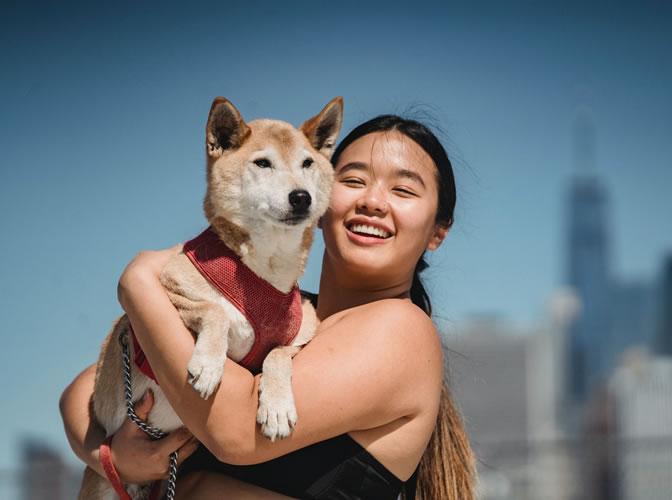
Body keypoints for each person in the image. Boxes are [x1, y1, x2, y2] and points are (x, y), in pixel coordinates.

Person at [60, 114, 477, 499]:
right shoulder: (283, 314)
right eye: (353, 180)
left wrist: (138, 284)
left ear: (438, 231)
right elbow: (84, 391)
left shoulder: (400, 329)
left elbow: (236, 431)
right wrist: (109, 458)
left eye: (403, 190)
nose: (373, 201)